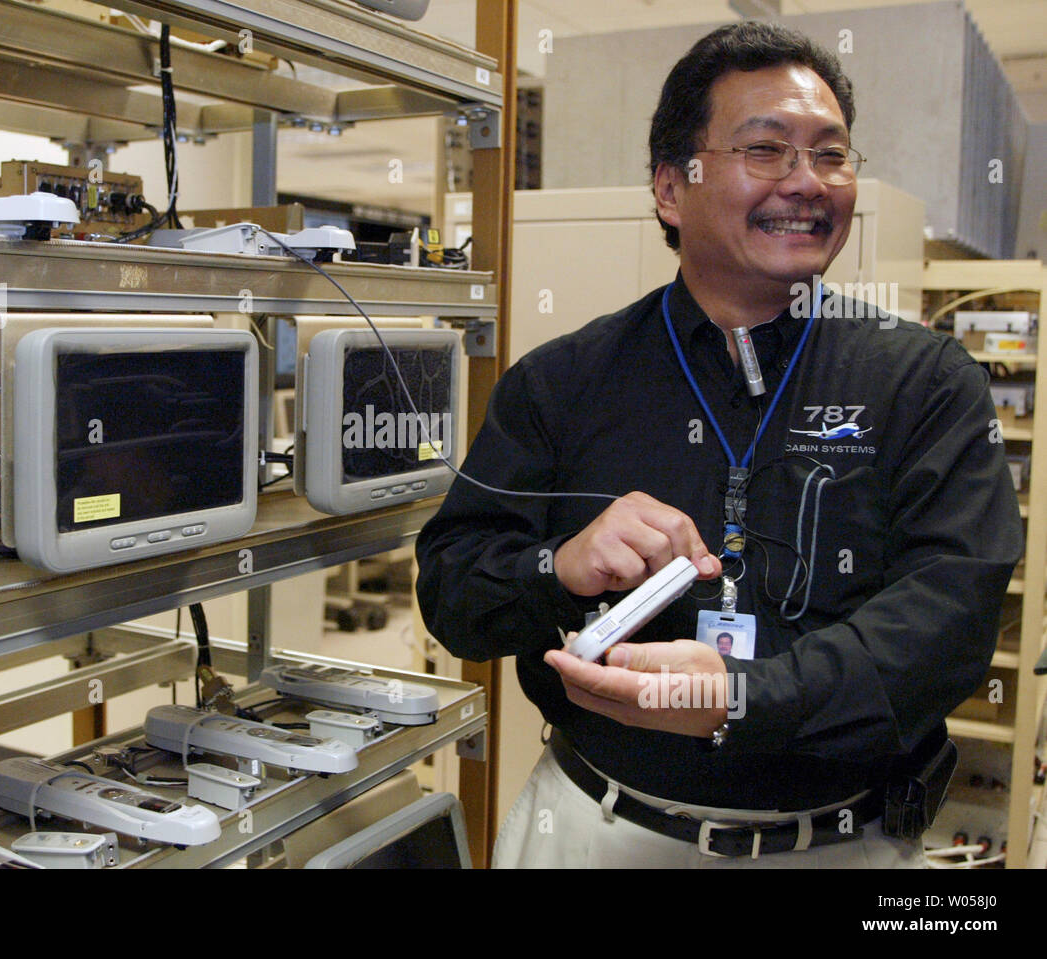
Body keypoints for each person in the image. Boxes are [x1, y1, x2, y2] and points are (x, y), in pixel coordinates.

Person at [414, 21, 1021, 868]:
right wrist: (560, 567)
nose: (807, 182)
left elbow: (948, 624)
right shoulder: (562, 381)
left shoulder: (923, 383)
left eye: (831, 154)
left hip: (845, 846)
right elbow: (450, 593)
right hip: (601, 831)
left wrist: (736, 696)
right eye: (767, 149)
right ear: (673, 187)